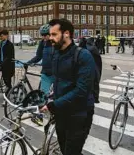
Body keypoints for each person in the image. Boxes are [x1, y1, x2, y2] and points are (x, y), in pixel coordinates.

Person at [40, 19, 95, 155]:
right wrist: (48, 98)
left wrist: (54, 105)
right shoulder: (56, 54)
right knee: (65, 149)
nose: (50, 38)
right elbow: (58, 82)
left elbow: (81, 91)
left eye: (54, 34)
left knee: (71, 151)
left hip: (79, 114)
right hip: (61, 112)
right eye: (50, 35)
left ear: (66, 34)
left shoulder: (83, 56)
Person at [27, 24, 54, 96]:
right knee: (43, 96)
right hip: (46, 73)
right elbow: (38, 56)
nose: (43, 37)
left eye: (45, 35)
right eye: (42, 35)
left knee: (58, 97)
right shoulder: (42, 43)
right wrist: (29, 62)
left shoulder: (56, 43)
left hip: (57, 74)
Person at [0, 30, 15, 105]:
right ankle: (10, 91)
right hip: (2, 64)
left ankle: (6, 99)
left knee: (7, 81)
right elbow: (0, 54)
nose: (0, 38)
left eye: (1, 36)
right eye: (0, 36)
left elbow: (9, 57)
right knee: (6, 80)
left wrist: (3, 64)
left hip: (8, 66)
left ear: (6, 35)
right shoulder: (2, 43)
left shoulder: (10, 45)